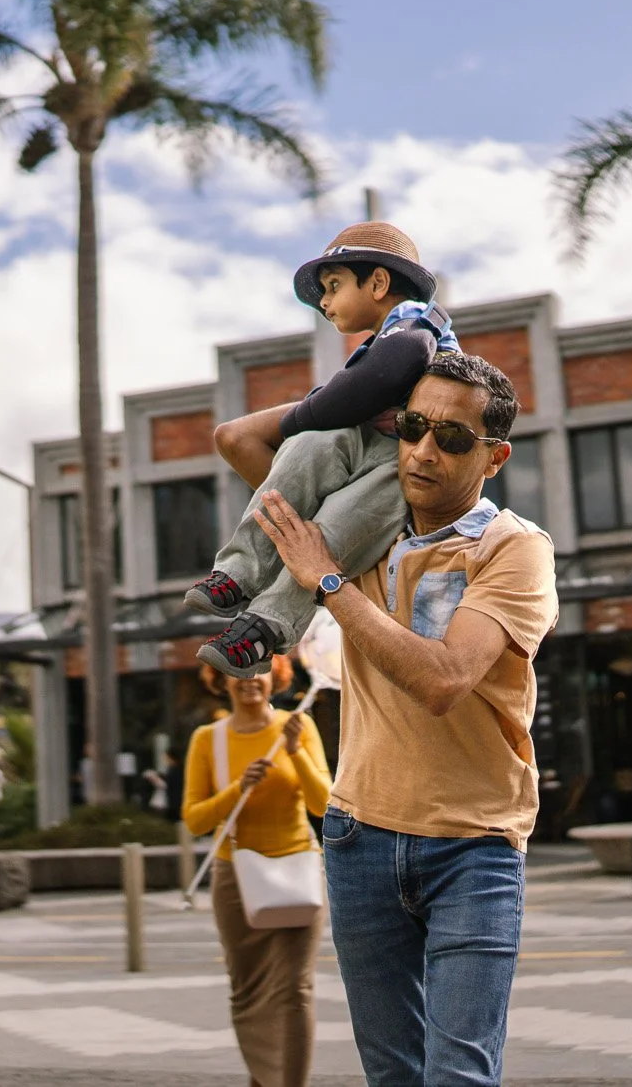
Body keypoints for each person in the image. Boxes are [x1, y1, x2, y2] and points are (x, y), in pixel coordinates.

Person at [250, 353, 557, 1087]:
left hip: (474, 844)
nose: (422, 450)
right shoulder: (360, 526)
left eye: (452, 437)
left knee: (456, 1075)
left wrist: (327, 582)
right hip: (359, 837)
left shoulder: (512, 547)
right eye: (413, 426)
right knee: (393, 1077)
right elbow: (242, 441)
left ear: (495, 456)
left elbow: (445, 678)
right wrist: (360, 392)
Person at [193, 221, 459, 678]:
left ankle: (267, 625)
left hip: (405, 463)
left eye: (333, 286)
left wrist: (304, 415)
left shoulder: (415, 325)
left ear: (377, 282)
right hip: (365, 445)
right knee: (304, 454)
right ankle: (241, 571)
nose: (325, 302)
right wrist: (307, 427)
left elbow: (376, 380)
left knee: (333, 528)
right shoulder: (379, 340)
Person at [182, 657, 332, 1087]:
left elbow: (324, 804)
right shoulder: (208, 740)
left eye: (260, 670)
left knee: (295, 989)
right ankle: (265, 1079)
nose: (250, 680)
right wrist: (237, 789)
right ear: (221, 680)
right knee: (247, 991)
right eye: (239, 672)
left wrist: (295, 752)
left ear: (277, 677)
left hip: (298, 869)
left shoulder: (298, 727)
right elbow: (194, 820)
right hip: (237, 878)